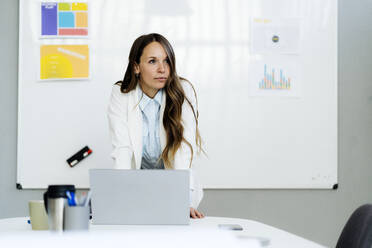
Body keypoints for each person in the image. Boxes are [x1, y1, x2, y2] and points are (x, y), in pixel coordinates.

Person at [107, 33, 204, 218]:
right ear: (136, 67)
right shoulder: (121, 94)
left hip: (174, 184)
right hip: (137, 185)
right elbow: (122, 149)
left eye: (166, 61)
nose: (162, 69)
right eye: (152, 61)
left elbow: (184, 150)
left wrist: (185, 200)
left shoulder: (183, 91)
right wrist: (121, 197)